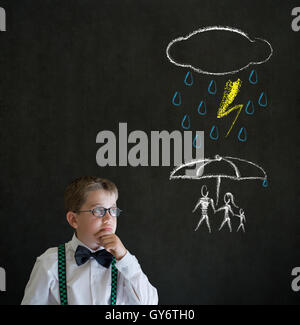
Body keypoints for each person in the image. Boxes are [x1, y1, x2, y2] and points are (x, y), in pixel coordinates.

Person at [21, 176, 158, 305]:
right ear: (74, 219)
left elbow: (150, 303)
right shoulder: (50, 263)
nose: (108, 218)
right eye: (98, 211)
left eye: (113, 210)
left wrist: (124, 257)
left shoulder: (125, 264)